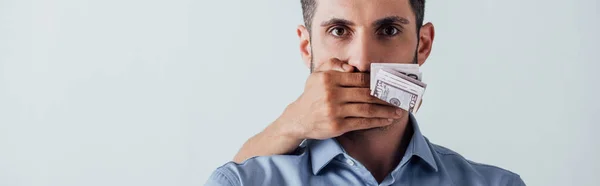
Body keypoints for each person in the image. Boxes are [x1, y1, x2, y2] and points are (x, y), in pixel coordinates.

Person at [205, 0, 525, 185]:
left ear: (423, 44)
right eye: (339, 31)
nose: (363, 60)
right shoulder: (247, 182)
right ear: (307, 46)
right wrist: (292, 123)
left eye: (388, 31)